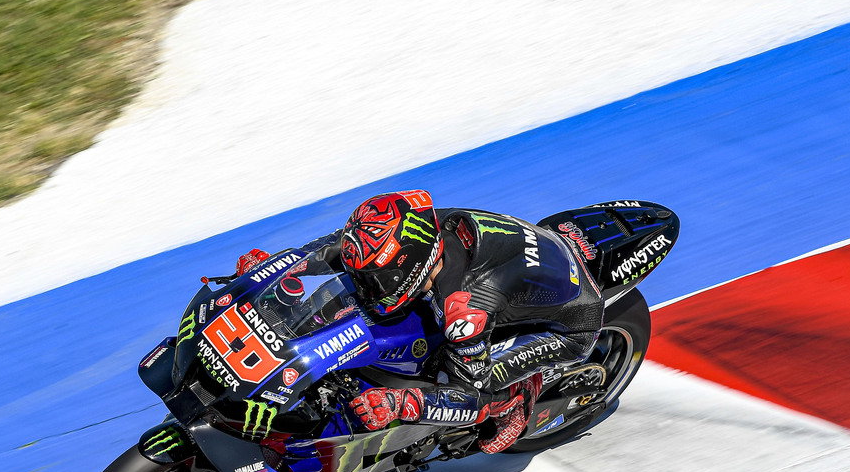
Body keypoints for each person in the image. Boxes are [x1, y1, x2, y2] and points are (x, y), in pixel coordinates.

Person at [236, 190, 604, 452]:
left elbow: (470, 395)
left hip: (571, 321)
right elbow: (331, 249)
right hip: (520, 267)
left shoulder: (466, 309)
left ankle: (516, 401)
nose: (364, 285)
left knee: (478, 380)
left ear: (409, 269)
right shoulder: (406, 230)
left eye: (374, 279)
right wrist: (269, 270)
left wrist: (401, 404)